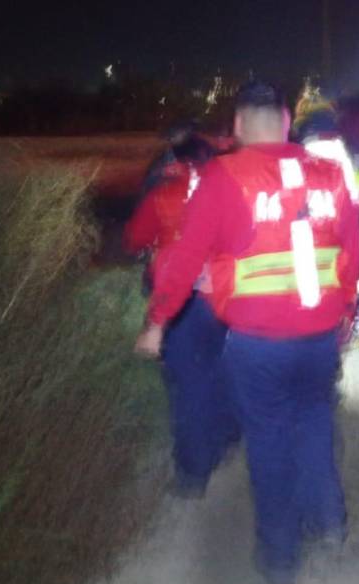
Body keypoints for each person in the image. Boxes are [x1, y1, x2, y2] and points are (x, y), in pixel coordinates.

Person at [135, 81, 359, 584]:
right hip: (320, 338)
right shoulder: (329, 175)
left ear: (238, 126)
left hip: (258, 344)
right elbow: (350, 254)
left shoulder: (222, 176)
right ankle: (329, 528)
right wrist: (345, 314)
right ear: (286, 120)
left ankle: (280, 558)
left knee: (268, 438)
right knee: (314, 425)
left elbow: (184, 258)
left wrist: (157, 323)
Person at [125, 135, 237, 498]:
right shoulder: (227, 191)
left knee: (186, 389)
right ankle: (224, 442)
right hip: (222, 299)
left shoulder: (163, 193)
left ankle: (192, 473)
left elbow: (134, 239)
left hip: (179, 302)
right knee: (220, 373)